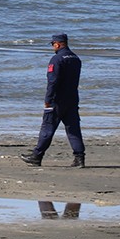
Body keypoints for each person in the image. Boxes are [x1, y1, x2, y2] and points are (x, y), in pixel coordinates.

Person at [21, 33, 85, 168]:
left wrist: (48, 99)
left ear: (57, 44)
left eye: (52, 44)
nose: (52, 47)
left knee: (47, 128)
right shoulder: (76, 58)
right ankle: (79, 158)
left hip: (57, 100)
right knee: (73, 129)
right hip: (72, 98)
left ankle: (36, 156)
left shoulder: (57, 59)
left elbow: (53, 81)